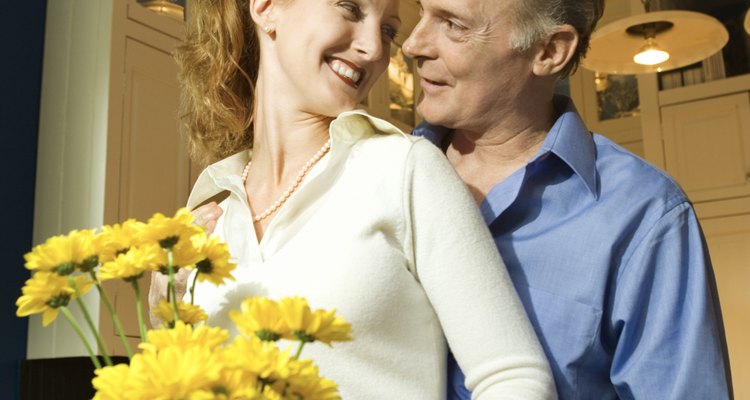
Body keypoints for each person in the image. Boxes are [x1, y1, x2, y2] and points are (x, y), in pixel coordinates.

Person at [150, 0, 558, 398]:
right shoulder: (209, 212)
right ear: (266, 6)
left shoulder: (404, 169)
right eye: (349, 8)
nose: (375, 49)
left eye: (388, 31)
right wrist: (162, 323)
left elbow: (515, 378)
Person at [400, 0, 733, 399]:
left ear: (550, 51)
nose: (412, 44)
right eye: (422, 12)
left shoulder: (646, 216)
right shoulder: (373, 172)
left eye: (453, 24)